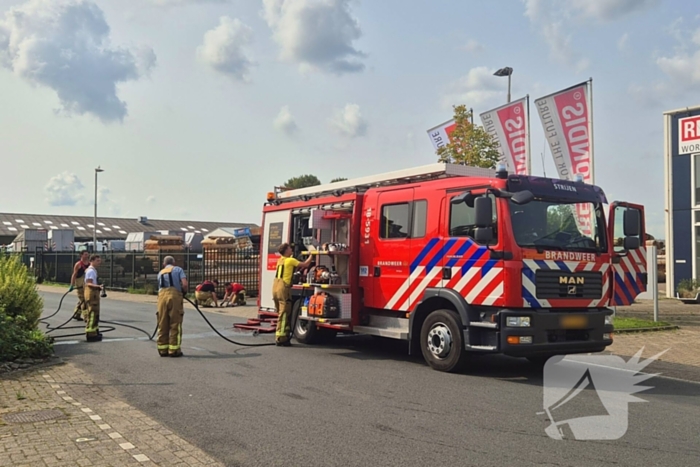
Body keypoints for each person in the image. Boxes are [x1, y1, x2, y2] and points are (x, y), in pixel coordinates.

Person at [273, 243, 313, 346]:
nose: (292, 250)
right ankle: (281, 338)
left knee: (281, 313)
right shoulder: (290, 260)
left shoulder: (280, 260)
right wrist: (312, 255)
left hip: (275, 287)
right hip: (283, 288)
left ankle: (283, 335)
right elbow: (305, 265)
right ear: (286, 250)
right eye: (290, 248)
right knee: (285, 312)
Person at [156, 256, 188, 357]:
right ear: (173, 262)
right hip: (174, 297)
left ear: (164, 264)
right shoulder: (178, 269)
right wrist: (184, 292)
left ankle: (162, 349)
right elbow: (185, 284)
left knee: (162, 322)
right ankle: (174, 350)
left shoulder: (160, 272)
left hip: (161, 297)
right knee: (175, 323)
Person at [83, 254, 104, 342]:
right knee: (92, 315)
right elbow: (89, 283)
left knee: (95, 314)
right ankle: (91, 335)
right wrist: (98, 286)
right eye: (97, 261)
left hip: (94, 295)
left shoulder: (92, 270)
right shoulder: (91, 271)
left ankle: (95, 332)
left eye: (100, 260)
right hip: (92, 295)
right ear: (92, 261)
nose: (99, 262)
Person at [69, 251, 90, 321]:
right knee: (83, 300)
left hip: (86, 285)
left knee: (83, 299)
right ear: (81, 255)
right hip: (80, 284)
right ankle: (86, 316)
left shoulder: (90, 264)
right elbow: (74, 275)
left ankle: (77, 314)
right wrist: (72, 285)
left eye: (87, 254)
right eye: (85, 254)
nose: (87, 256)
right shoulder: (78, 264)